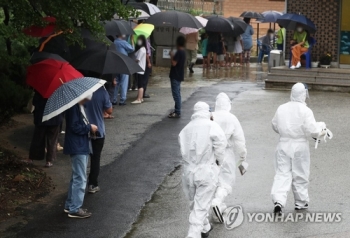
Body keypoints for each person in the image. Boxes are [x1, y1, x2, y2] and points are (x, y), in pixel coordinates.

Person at [271, 83, 327, 214]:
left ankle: (278, 200)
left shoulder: (281, 108)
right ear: (303, 94)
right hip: (300, 145)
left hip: (283, 144)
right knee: (300, 173)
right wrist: (322, 130)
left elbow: (274, 125)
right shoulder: (305, 110)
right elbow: (312, 129)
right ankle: (300, 202)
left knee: (282, 173)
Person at [179, 101, 227, 238]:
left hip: (188, 172)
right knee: (200, 206)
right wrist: (219, 161)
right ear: (207, 111)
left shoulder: (186, 129)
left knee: (195, 203)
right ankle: (193, 234)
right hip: (206, 170)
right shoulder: (212, 126)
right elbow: (220, 144)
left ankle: (205, 228)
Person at [210, 93, 247, 223]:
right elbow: (239, 141)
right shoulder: (232, 118)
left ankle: (218, 210)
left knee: (214, 181)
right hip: (226, 154)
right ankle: (217, 202)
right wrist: (242, 158)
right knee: (226, 181)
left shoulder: (210, 117)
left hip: (211, 154)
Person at [64, 94, 98, 218]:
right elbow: (74, 127)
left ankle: (70, 205)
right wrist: (89, 127)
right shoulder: (74, 107)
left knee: (76, 176)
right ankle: (75, 208)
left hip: (79, 145)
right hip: (78, 146)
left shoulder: (78, 106)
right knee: (80, 178)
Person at [85, 87, 113, 194]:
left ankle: (80, 184)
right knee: (95, 158)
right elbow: (109, 110)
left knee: (83, 158)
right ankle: (93, 184)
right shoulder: (102, 91)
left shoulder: (82, 91)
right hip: (98, 131)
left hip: (83, 130)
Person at [27, 91, 64, 167]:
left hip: (41, 117)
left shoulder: (41, 90)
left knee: (37, 138)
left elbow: (35, 102)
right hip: (55, 118)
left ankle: (31, 158)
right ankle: (49, 161)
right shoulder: (60, 90)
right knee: (52, 140)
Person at [113, 35, 134, 105]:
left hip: (116, 63)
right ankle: (122, 99)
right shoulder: (123, 42)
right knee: (124, 82)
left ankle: (114, 99)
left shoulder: (114, 42)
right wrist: (132, 41)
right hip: (124, 63)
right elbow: (132, 49)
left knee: (116, 82)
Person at [168, 36, 186, 118]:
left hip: (175, 75)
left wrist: (171, 55)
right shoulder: (183, 52)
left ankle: (177, 111)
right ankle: (176, 110)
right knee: (178, 93)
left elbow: (174, 63)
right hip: (179, 75)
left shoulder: (179, 52)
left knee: (176, 94)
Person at [131, 35, 147, 104]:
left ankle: (139, 99)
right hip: (141, 68)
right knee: (141, 84)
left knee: (140, 84)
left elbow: (138, 59)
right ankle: (141, 98)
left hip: (139, 68)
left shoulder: (142, 49)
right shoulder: (143, 49)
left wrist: (132, 61)